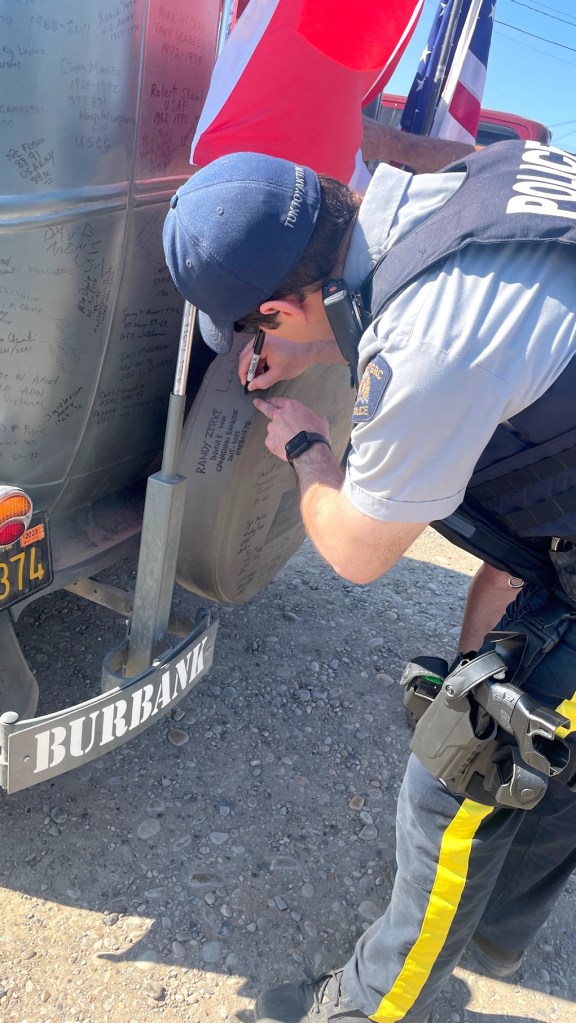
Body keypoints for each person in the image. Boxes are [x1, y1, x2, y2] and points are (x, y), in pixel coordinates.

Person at [163, 142, 576, 1023]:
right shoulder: (479, 184)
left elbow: (357, 550)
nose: (255, 350)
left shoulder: (427, 339)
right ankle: (494, 926)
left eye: (255, 332)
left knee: (459, 775)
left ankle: (369, 1008)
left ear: (279, 308)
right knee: (543, 735)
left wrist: (310, 449)